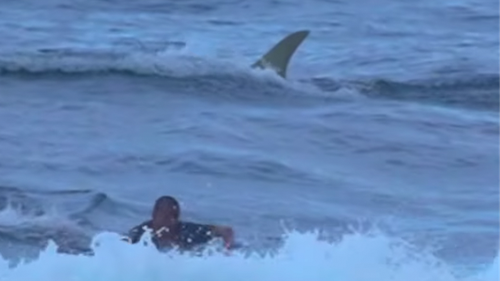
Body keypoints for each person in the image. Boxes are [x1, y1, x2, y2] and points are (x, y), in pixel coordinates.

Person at [124, 196, 234, 251]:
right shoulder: (140, 233)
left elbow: (226, 231)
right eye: (166, 216)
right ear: (154, 215)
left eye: (175, 216)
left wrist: (227, 249)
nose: (171, 221)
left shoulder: (189, 231)